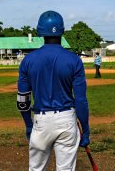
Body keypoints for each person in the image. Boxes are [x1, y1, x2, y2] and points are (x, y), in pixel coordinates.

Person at [17, 10, 90, 170]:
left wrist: (28, 125)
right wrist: (85, 128)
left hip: (40, 121)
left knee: (36, 169)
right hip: (66, 120)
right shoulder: (74, 60)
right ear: (62, 30)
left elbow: (23, 100)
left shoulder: (28, 60)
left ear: (40, 31)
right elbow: (81, 100)